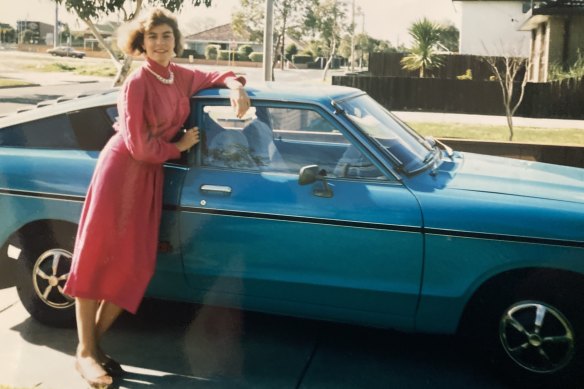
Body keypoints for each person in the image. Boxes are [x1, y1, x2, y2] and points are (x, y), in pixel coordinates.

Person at [62, 8, 250, 388]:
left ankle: (92, 348)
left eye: (166, 35)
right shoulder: (137, 82)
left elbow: (218, 74)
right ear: (141, 43)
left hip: (148, 179)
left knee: (135, 266)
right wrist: (178, 145)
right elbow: (137, 145)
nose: (161, 43)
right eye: (153, 37)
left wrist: (237, 87)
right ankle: (85, 350)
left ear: (176, 40)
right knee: (97, 257)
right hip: (121, 171)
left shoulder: (180, 75)